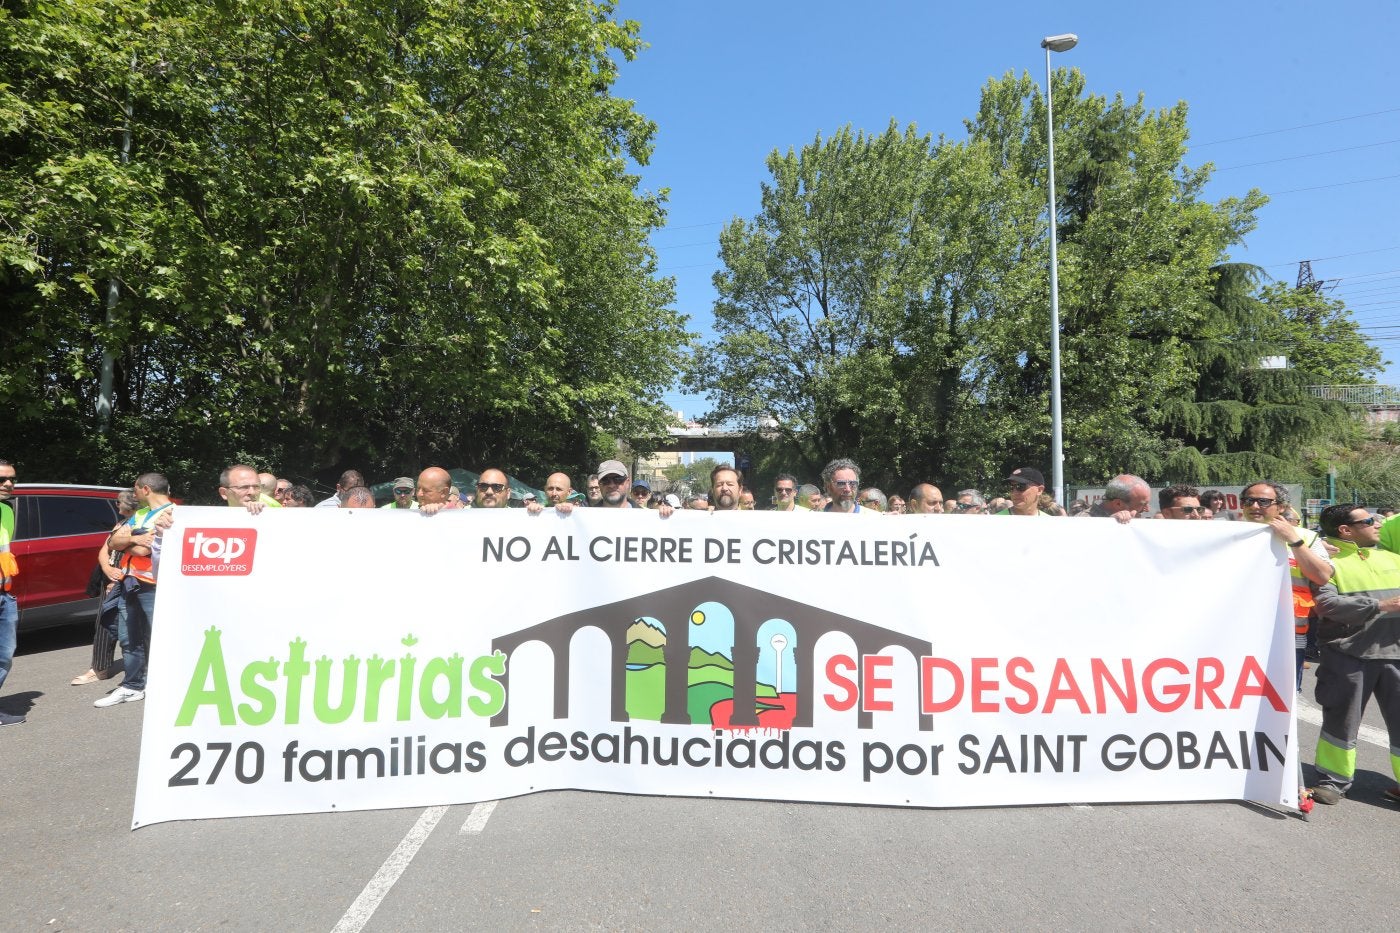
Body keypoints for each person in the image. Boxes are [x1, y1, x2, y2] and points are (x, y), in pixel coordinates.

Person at [1308, 503, 1400, 806]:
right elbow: (1327, 606)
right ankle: (1333, 781)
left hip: (1395, 653)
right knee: (1341, 720)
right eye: (1369, 520)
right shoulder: (1326, 564)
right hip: (1347, 655)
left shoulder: (1392, 557)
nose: (1378, 524)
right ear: (1345, 530)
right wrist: (1381, 606)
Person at [1240, 482, 1332, 696]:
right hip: (1237, 632)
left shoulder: (1306, 537)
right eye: (1248, 500)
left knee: (1282, 700)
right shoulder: (1227, 534)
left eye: (1263, 501)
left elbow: (1322, 576)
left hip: (1288, 635)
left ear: (1281, 507)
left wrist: (1294, 540)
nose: (1255, 506)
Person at [97, 472, 174, 708]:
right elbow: (112, 543)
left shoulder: (171, 514)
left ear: (147, 489)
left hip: (154, 586)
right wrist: (134, 539)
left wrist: (128, 541)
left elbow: (146, 550)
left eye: (136, 489)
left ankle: (171, 688)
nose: (134, 493)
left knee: (163, 640)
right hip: (130, 584)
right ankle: (133, 686)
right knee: (129, 639)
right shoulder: (140, 514)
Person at [71, 488, 140, 686]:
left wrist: (115, 578)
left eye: (119, 502)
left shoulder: (138, 525)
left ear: (130, 504)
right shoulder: (121, 524)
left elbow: (133, 553)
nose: (117, 505)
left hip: (124, 580)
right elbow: (105, 549)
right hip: (109, 577)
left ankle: (135, 670)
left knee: (123, 624)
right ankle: (99, 668)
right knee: (103, 622)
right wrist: (106, 568)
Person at [0, 458, 21, 724]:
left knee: (4, 653)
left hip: (5, 594)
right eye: (2, 479)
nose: (8, 484)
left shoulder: (6, 510)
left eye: (12, 479)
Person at [592, 460, 673, 516]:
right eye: (605, 480)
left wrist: (665, 515)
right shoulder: (586, 517)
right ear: (599, 484)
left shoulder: (648, 517)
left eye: (618, 479)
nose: (611, 485)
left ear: (628, 482)